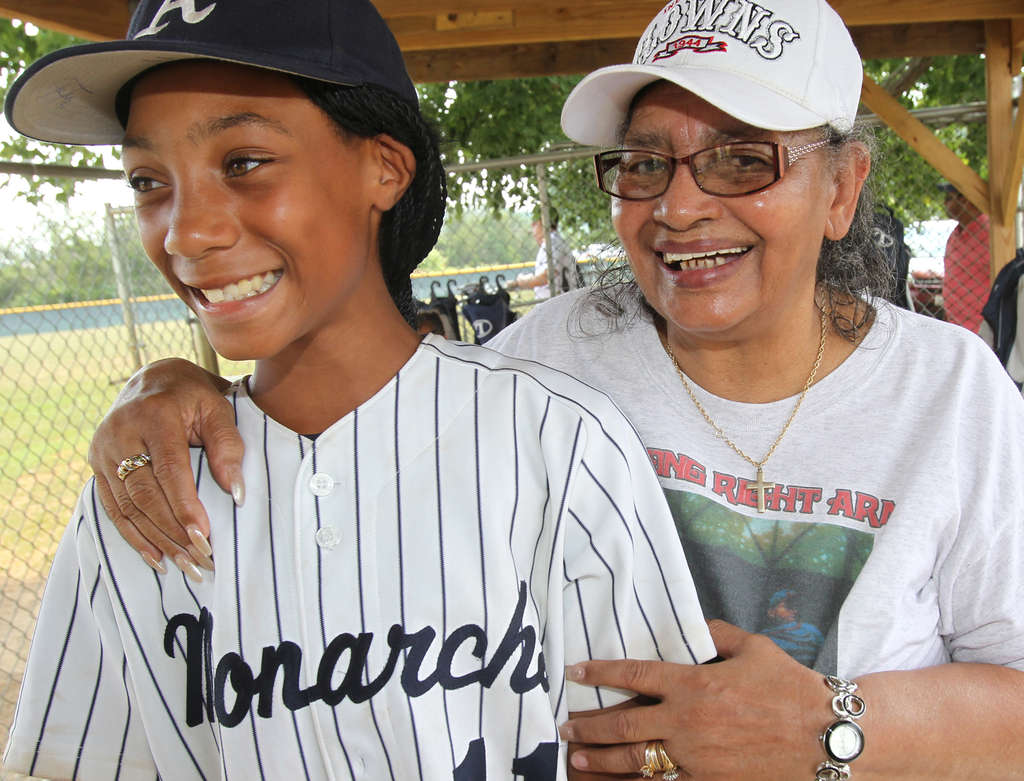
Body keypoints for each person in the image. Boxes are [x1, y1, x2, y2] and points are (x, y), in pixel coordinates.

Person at [85, 0, 1024, 777]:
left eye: (744, 157)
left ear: (843, 186)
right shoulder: (552, 364)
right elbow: (367, 394)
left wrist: (826, 727)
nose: (680, 205)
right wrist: (167, 384)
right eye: (644, 162)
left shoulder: (949, 394)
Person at [2, 1, 716, 778]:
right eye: (148, 180)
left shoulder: (556, 440)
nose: (185, 231)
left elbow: (662, 750)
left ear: (385, 167)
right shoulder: (142, 495)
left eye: (242, 163)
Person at [939, 181, 991, 332]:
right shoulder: (955, 235)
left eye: (949, 198)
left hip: (984, 329)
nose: (944, 203)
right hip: (956, 327)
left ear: (965, 199)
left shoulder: (990, 234)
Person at [507, 209, 577, 300]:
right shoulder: (552, 241)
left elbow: (547, 275)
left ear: (545, 223)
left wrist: (521, 282)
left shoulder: (552, 242)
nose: (532, 226)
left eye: (535, 223)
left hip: (558, 305)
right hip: (558, 302)